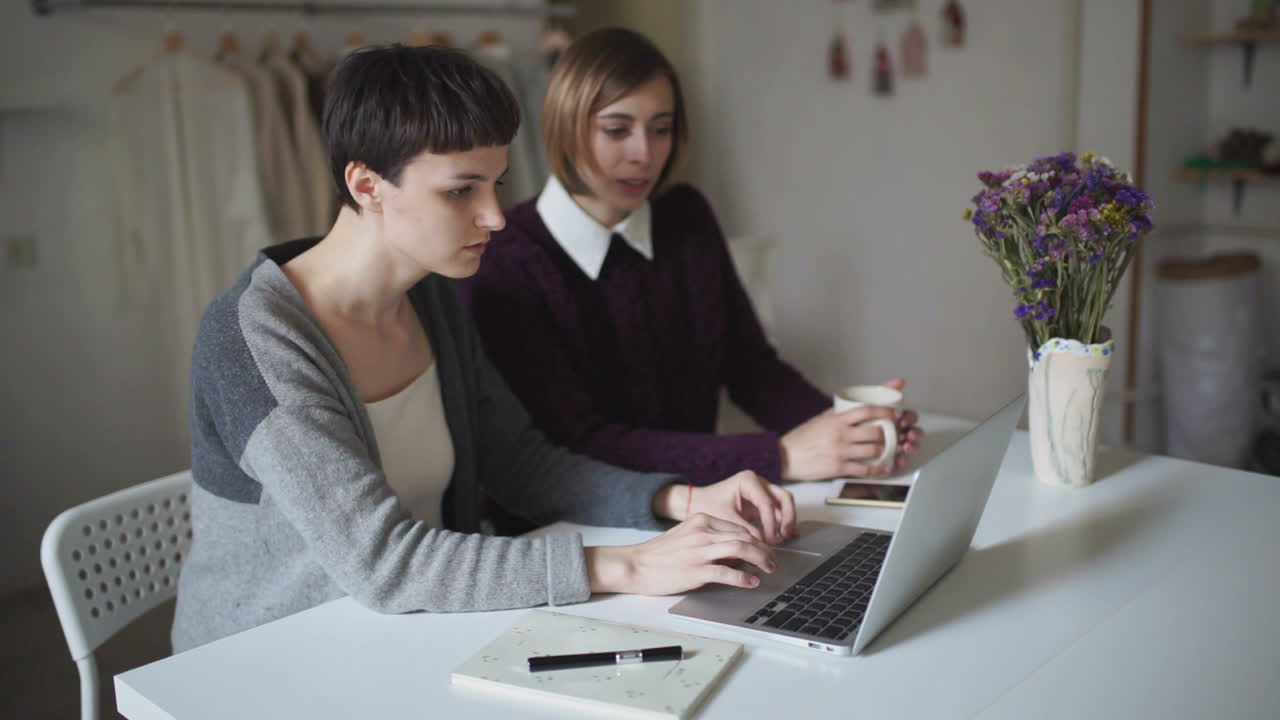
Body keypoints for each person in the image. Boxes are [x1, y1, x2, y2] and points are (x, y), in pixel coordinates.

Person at [172, 44, 795, 653]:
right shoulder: (253, 340)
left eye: (496, 184)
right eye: (461, 190)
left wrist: (680, 499)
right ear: (366, 184)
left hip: (411, 631)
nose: (495, 216)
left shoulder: (431, 299)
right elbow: (385, 563)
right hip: (268, 659)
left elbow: (522, 464)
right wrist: (630, 567)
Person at [458, 28, 924, 491]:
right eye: (617, 130)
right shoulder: (505, 259)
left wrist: (849, 430)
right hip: (581, 532)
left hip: (710, 500)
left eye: (661, 129)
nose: (644, 153)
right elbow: (578, 443)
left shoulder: (686, 217)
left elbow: (751, 367)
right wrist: (782, 456)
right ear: (564, 125)